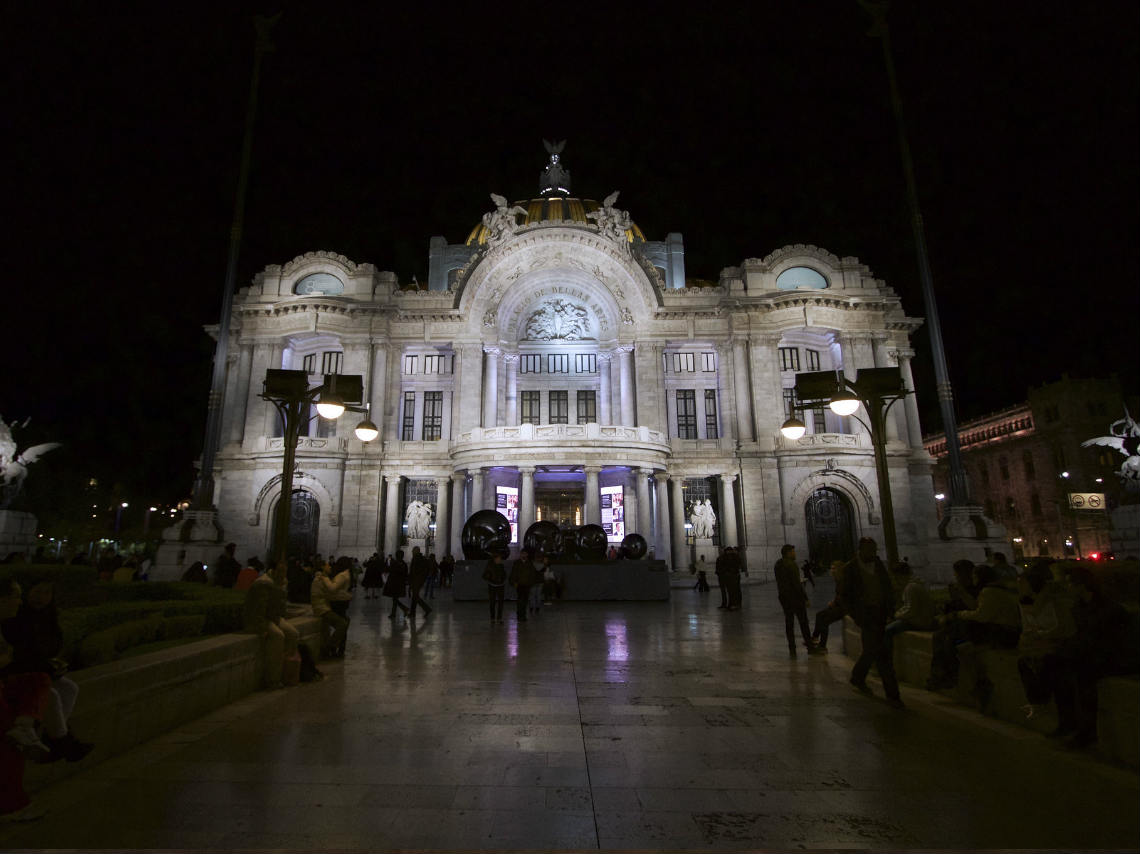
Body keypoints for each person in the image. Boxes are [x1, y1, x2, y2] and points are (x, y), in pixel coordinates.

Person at [1, 582, 94, 761]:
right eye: (37, 592)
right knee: (48, 691)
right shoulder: (15, 619)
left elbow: (51, 645)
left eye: (47, 592)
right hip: (17, 674)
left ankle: (55, 736)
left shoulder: (48, 616)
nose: (41, 597)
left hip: (31, 669)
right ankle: (60, 739)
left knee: (67, 688)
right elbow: (17, 656)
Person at [927, 563, 1021, 692]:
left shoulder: (990, 591)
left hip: (1000, 633)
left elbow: (981, 615)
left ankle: (946, 676)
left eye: (974, 576)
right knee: (950, 638)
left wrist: (958, 615)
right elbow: (976, 607)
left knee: (951, 638)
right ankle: (945, 676)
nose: (972, 579)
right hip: (997, 630)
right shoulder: (992, 590)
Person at [841, 537, 904, 707]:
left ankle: (858, 676)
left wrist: (890, 609)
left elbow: (887, 588)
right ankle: (893, 695)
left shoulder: (878, 565)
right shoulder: (851, 568)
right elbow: (845, 595)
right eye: (870, 549)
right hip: (866, 616)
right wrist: (856, 615)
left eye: (875, 549)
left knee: (872, 651)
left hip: (880, 614)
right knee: (881, 654)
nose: (873, 553)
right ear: (861, 549)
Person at [243, 561, 300, 686]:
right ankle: (273, 678)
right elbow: (259, 609)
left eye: (284, 572)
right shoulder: (263, 583)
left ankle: (286, 671)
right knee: (278, 636)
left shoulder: (278, 583)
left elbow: (280, 606)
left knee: (293, 634)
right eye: (280, 571)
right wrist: (262, 628)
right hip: (262, 619)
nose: (283, 575)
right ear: (273, 571)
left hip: (273, 617)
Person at [774, 545, 819, 655]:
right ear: (788, 553)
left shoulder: (778, 564)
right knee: (803, 623)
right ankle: (810, 647)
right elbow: (797, 584)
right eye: (793, 552)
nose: (795, 554)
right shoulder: (791, 565)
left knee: (789, 623)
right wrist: (805, 598)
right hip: (795, 598)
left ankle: (792, 648)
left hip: (784, 597)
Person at [884, 560, 936, 641]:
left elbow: (910, 610)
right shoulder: (914, 585)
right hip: (922, 620)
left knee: (888, 630)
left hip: (919, 622)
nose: (895, 580)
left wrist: (897, 615)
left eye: (896, 577)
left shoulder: (910, 587)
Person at [311, 562, 350, 658]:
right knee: (343, 623)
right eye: (328, 565)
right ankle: (330, 647)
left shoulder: (324, 578)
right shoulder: (321, 579)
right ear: (323, 567)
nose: (330, 567)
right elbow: (331, 592)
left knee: (345, 620)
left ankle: (337, 648)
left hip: (325, 606)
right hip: (322, 608)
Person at [811, 560, 847, 651]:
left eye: (834, 568)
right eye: (831, 568)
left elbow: (843, 596)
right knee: (819, 615)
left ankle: (822, 645)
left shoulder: (843, 580)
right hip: (839, 605)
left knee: (824, 621)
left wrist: (834, 603)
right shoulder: (838, 580)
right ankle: (815, 637)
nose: (832, 570)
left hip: (844, 608)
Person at [508, 549, 538, 622]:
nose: (524, 555)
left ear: (527, 555)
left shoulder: (529, 563)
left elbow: (532, 574)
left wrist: (531, 583)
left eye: (525, 554)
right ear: (521, 554)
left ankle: (523, 615)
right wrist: (514, 582)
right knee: (520, 600)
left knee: (525, 601)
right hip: (520, 585)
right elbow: (514, 573)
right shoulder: (517, 563)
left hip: (527, 585)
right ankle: (520, 615)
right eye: (522, 554)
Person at [383, 550, 410, 619]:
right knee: (395, 599)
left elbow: (390, 570)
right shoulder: (403, 564)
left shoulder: (395, 563)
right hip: (398, 584)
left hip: (395, 584)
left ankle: (396, 613)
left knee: (395, 599)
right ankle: (402, 610)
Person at [408, 547, 433, 619]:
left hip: (416, 580)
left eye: (413, 550)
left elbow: (413, 571)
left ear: (416, 551)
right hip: (418, 580)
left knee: (415, 596)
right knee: (414, 597)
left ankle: (426, 609)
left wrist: (411, 580)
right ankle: (413, 612)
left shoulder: (417, 559)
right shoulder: (422, 559)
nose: (412, 552)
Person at [482, 550, 507, 623]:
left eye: (500, 558)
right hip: (492, 586)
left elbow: (504, 574)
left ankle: (499, 618)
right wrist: (490, 578)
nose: (500, 560)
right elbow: (484, 576)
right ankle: (492, 618)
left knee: (500, 603)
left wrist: (503, 579)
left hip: (501, 586)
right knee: (492, 603)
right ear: (495, 559)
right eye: (499, 558)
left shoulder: (501, 566)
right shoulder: (490, 566)